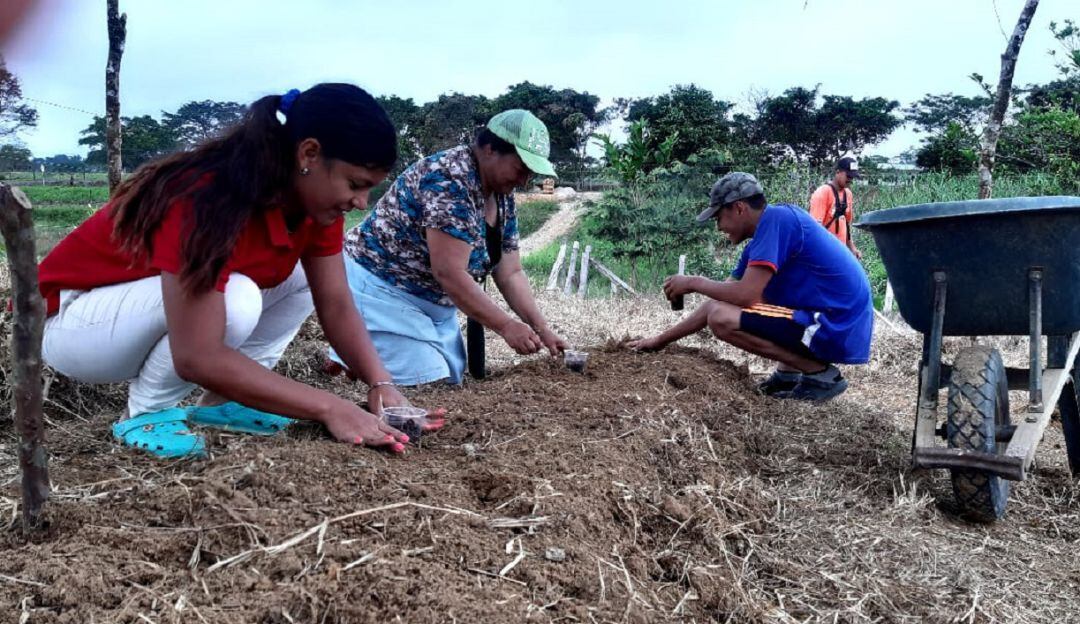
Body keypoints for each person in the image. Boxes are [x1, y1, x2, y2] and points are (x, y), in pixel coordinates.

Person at [37, 83, 441, 458]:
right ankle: (146, 415)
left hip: (138, 314)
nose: (361, 202)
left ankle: (225, 404)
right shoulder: (206, 196)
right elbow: (197, 356)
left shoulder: (314, 209)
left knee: (299, 279)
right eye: (355, 183)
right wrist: (328, 407)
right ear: (309, 154)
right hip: (71, 324)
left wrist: (381, 384)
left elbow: (335, 303)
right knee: (236, 298)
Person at [324, 109, 568, 385]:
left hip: (430, 304)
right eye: (521, 168)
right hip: (382, 292)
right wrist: (506, 325)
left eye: (530, 173)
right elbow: (449, 272)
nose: (524, 180)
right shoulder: (449, 178)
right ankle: (353, 349)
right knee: (431, 384)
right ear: (489, 149)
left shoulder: (501, 195)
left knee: (452, 378)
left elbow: (509, 271)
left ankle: (352, 356)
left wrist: (542, 328)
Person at [628, 172, 873, 402]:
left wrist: (694, 282)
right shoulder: (758, 243)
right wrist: (659, 340)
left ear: (739, 208)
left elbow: (743, 297)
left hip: (837, 323)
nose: (718, 227)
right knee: (728, 309)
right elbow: (722, 300)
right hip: (830, 320)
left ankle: (819, 374)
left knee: (721, 318)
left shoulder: (778, 220)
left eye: (718, 218)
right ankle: (787, 375)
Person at [809, 156, 862, 259]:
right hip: (824, 252)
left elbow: (846, 226)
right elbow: (814, 230)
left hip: (841, 252)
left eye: (853, 177)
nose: (850, 180)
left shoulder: (848, 194)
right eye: (848, 176)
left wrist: (852, 248)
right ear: (838, 172)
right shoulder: (823, 193)